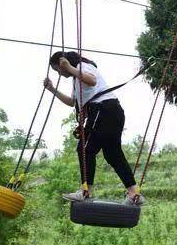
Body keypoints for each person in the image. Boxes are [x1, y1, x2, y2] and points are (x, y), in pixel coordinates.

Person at [43, 51, 145, 205]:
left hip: (103, 110)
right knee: (112, 154)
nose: (59, 74)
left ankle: (86, 191)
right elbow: (72, 102)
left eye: (58, 70)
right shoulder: (76, 78)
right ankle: (133, 192)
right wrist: (52, 89)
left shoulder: (83, 66)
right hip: (112, 112)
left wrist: (70, 68)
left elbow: (92, 81)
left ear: (63, 63)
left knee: (84, 149)